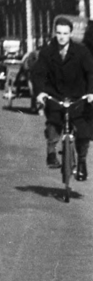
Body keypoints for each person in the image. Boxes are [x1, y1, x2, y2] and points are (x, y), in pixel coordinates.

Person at [31, 15, 93, 180]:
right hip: (56, 95)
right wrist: (40, 92)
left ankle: (81, 162)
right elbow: (38, 74)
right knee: (53, 121)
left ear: (71, 34)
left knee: (84, 130)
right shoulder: (47, 52)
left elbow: (90, 72)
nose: (61, 37)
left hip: (78, 96)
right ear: (55, 33)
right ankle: (51, 153)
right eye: (58, 33)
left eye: (65, 33)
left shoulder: (81, 51)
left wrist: (90, 92)